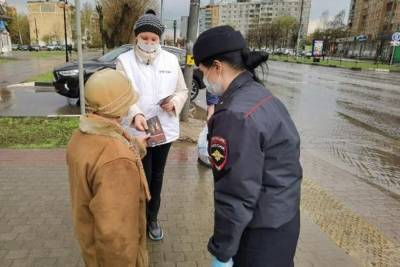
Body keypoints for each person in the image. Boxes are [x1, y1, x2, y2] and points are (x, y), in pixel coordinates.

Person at [193, 25, 303, 267]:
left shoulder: (233, 115)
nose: (203, 79)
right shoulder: (261, 95)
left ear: (217, 67)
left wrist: (222, 251)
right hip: (283, 219)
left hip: (258, 233)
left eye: (202, 71)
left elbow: (235, 193)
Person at [66, 69, 151, 266]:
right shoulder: (117, 160)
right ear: (118, 107)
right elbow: (116, 234)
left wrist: (134, 146)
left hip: (92, 247)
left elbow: (100, 160)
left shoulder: (80, 136)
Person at [116, 10, 188, 241]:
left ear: (160, 39)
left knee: (157, 175)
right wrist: (135, 113)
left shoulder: (170, 60)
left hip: (164, 129)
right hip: (137, 130)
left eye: (153, 39)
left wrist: (175, 102)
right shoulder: (124, 62)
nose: (149, 42)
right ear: (136, 37)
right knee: (139, 175)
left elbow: (182, 90)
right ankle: (137, 218)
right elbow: (123, 94)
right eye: (144, 38)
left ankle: (153, 218)